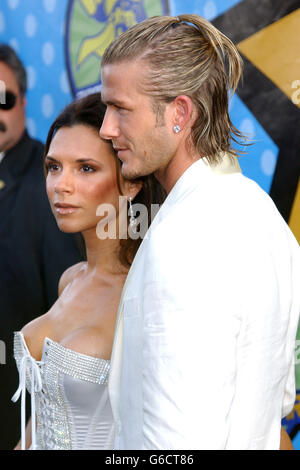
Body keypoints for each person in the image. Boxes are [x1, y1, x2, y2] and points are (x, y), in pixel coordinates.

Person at [99, 14, 300, 449]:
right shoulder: (265, 217)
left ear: (180, 113)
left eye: (121, 109)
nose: (106, 128)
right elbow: (278, 401)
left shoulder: (181, 239)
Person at [11, 92, 166, 450]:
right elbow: (49, 408)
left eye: (85, 168)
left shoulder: (145, 292)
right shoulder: (71, 279)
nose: (61, 185)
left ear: (131, 181)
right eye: (53, 166)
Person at [0, 44, 82, 450]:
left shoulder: (53, 186)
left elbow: (66, 325)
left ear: (24, 102)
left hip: (22, 417)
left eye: (4, 98)